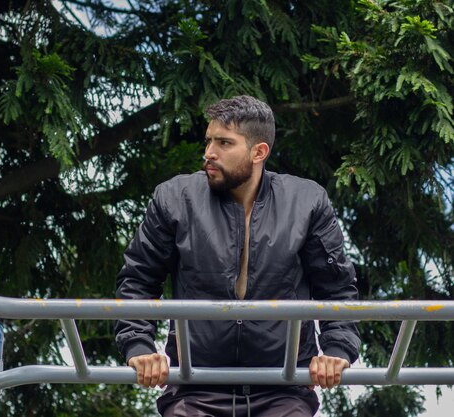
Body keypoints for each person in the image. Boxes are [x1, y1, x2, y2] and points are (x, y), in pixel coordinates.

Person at [114, 95, 361, 416]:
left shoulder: (307, 201)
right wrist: (139, 347)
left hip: (284, 389)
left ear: (259, 152)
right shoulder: (175, 198)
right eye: (208, 141)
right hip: (194, 387)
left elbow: (337, 289)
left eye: (224, 143)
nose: (209, 153)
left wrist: (336, 350)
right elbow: (139, 280)